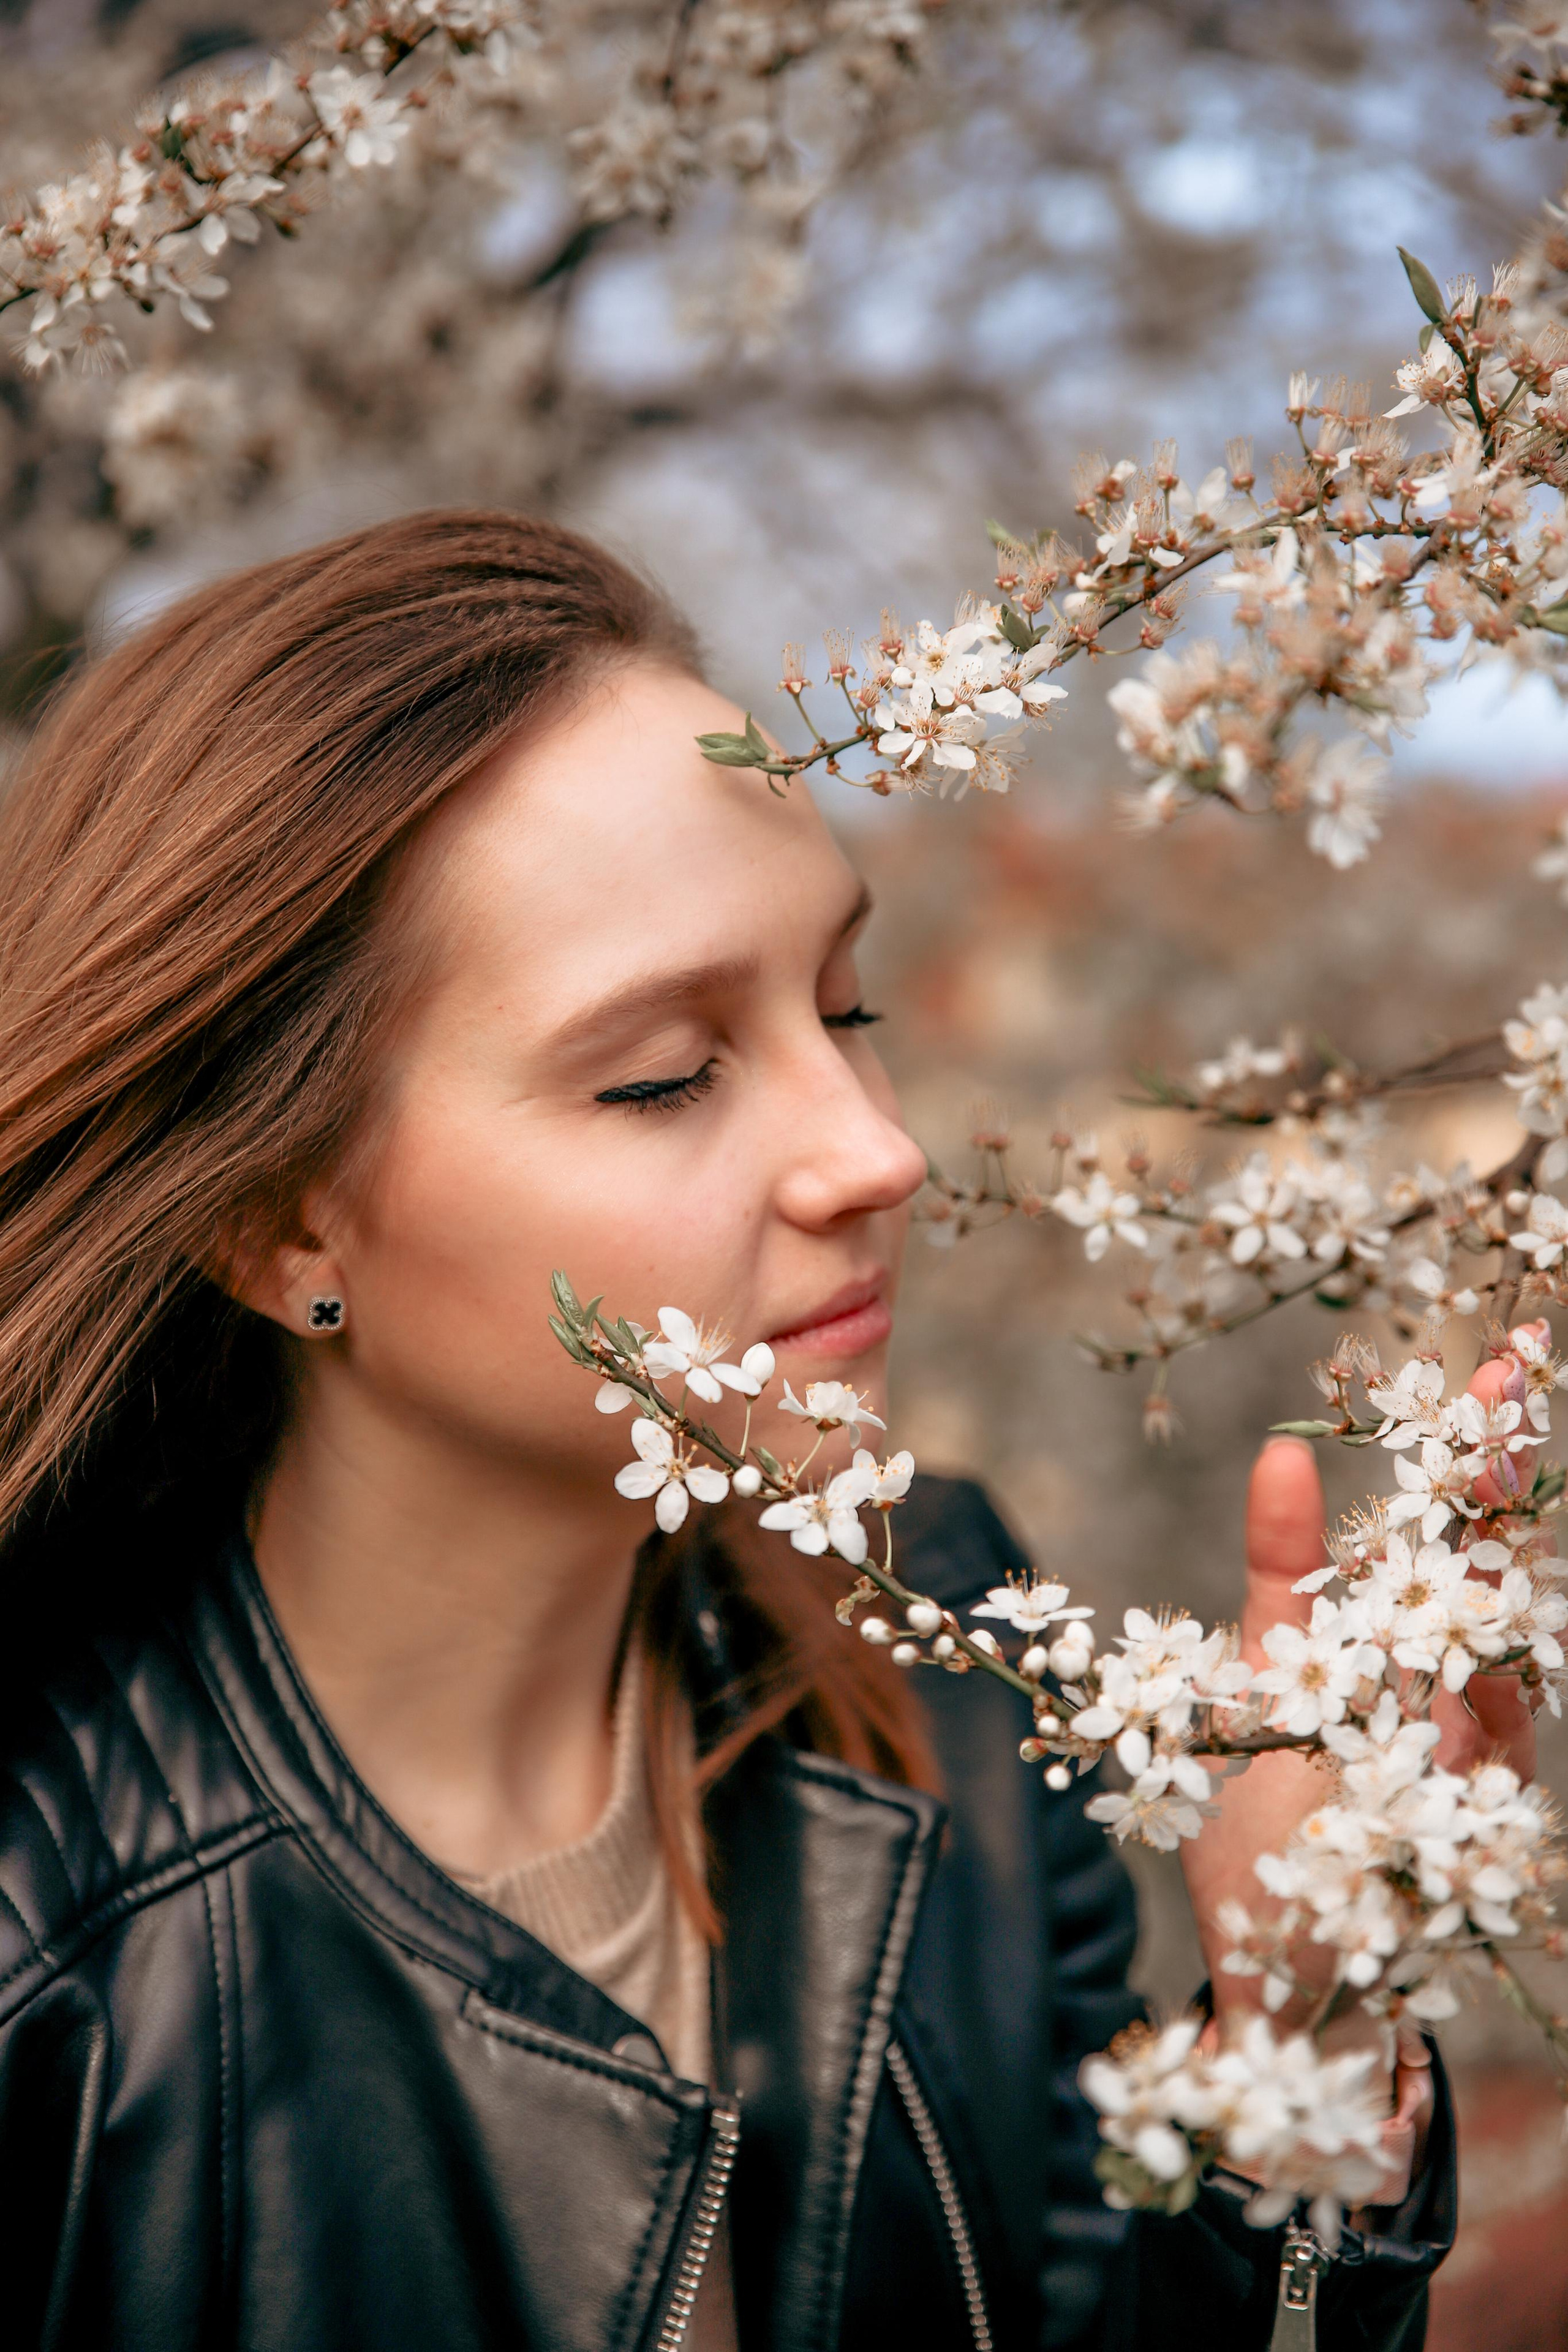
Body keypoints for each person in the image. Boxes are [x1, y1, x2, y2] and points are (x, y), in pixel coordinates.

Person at [0, 511, 1494, 2351]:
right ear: (277, 1222)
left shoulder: (944, 1653)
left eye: (844, 1006)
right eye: (665, 1076)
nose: (880, 1149)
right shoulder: (48, 1949)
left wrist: (1295, 2036)